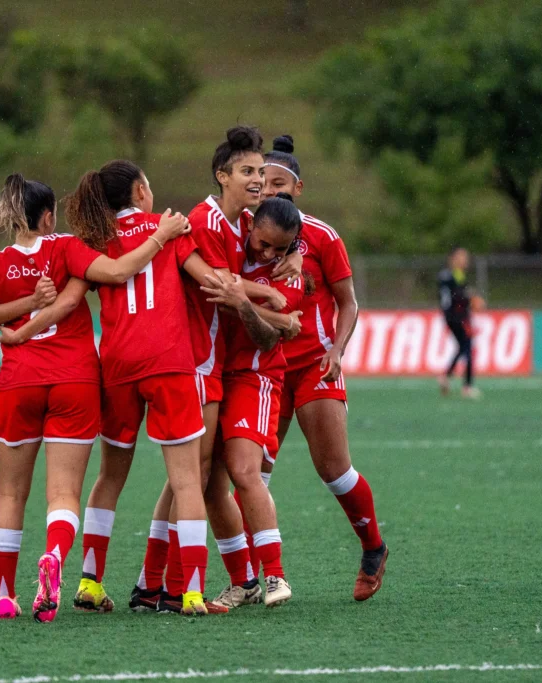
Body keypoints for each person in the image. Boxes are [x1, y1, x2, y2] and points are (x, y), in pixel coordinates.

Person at [0, 173, 190, 622]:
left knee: (9, 494)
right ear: (48, 216)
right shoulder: (65, 248)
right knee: (63, 493)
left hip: (18, 385)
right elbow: (120, 271)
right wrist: (161, 237)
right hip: (75, 382)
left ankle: (5, 596)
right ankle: (52, 557)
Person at [129, 127, 303, 613]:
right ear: (222, 176)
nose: (257, 180)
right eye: (247, 172)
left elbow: (249, 268)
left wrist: (294, 258)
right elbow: (222, 292)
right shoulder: (205, 222)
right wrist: (271, 299)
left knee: (196, 479)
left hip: (216, 367)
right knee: (192, 478)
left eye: (260, 172)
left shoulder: (241, 225)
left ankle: (162, 583)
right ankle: (171, 587)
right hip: (193, 364)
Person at [56, 159, 223, 616]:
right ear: (140, 192)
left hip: (116, 367)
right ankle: (190, 592)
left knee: (110, 477)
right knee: (188, 480)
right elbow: (209, 280)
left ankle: (90, 582)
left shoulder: (96, 241)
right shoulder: (168, 229)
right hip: (169, 362)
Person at [260, 135, 389, 602]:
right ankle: (266, 577)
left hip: (314, 364)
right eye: (262, 181)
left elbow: (349, 302)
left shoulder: (323, 236)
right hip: (265, 369)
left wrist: (337, 350)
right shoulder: (247, 234)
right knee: (252, 475)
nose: (269, 189)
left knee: (334, 469)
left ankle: (373, 548)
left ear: (298, 188)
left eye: (280, 182)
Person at [200, 193, 313, 609]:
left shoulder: (291, 277)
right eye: (263, 244)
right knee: (210, 484)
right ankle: (242, 580)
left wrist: (245, 304)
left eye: (282, 249)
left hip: (255, 376)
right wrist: (267, 309)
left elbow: (269, 337)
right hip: (213, 373)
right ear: (250, 226)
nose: (268, 253)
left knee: (245, 471)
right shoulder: (231, 232)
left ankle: (276, 575)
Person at [437, 247, 482, 399]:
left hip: (450, 316)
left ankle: (446, 376)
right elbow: (457, 295)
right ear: (454, 259)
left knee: (463, 346)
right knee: (468, 347)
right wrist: (471, 298)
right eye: (462, 257)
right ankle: (467, 386)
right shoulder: (452, 275)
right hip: (459, 317)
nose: (465, 261)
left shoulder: (452, 275)